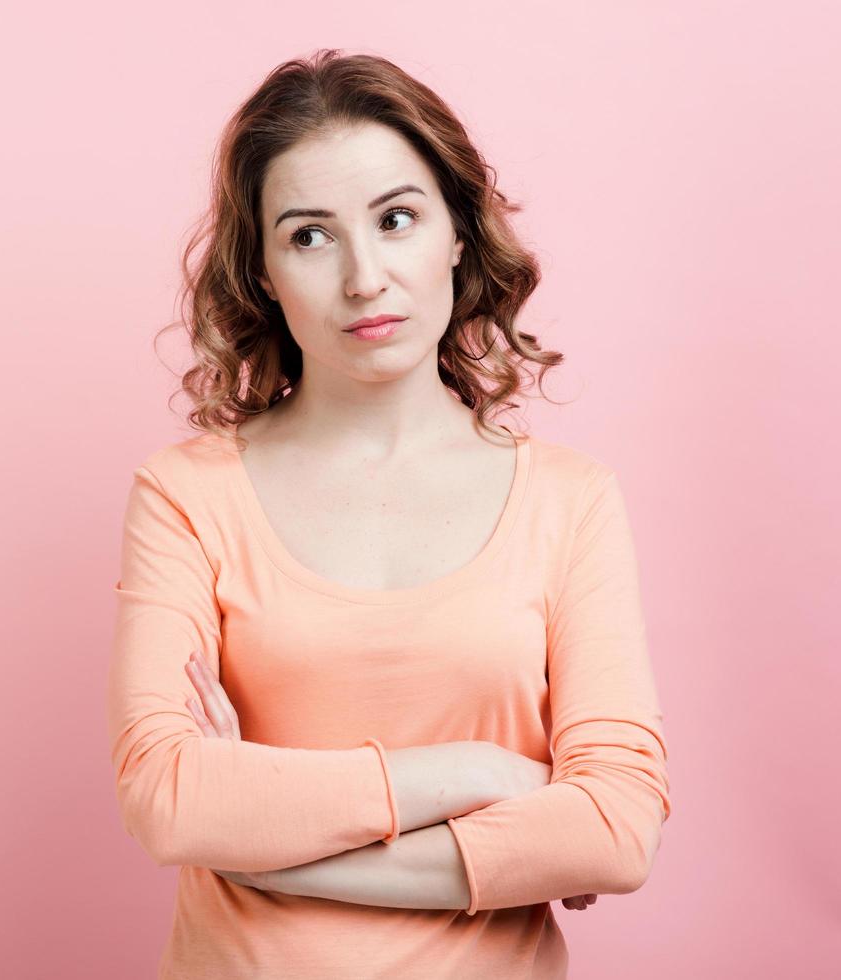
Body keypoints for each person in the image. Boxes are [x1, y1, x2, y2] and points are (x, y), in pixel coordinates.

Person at [107, 49, 671, 978]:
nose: (364, 276)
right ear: (264, 273)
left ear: (454, 232)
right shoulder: (184, 495)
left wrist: (269, 854)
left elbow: (614, 831)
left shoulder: (571, 501)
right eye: (309, 235)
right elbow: (168, 798)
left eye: (395, 219)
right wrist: (481, 776)